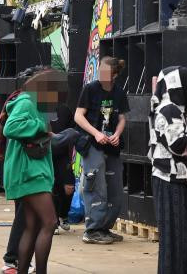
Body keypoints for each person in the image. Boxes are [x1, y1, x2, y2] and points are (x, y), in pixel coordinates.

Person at [3, 68, 57, 274]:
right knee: (50, 222)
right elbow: (11, 127)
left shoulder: (35, 103)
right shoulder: (27, 101)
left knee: (32, 226)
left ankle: (22, 270)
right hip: (29, 172)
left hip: (30, 170)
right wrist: (41, 126)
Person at [73, 56, 128, 245]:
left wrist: (118, 134)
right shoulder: (90, 89)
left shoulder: (119, 93)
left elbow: (121, 118)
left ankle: (105, 227)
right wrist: (96, 133)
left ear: (114, 75)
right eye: (100, 70)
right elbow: (78, 116)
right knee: (96, 185)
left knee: (115, 189)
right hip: (92, 144)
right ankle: (93, 229)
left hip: (111, 147)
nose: (101, 74)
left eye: (105, 71)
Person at [150, 66, 187, 274]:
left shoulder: (170, 108)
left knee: (179, 237)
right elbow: (179, 145)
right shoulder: (169, 109)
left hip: (171, 179)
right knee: (177, 237)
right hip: (170, 180)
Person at [50, 102, 76, 234]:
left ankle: (63, 214)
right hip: (45, 154)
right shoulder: (38, 110)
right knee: (50, 187)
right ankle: (53, 220)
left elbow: (73, 131)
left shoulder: (64, 109)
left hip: (63, 155)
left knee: (69, 187)